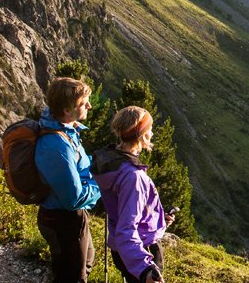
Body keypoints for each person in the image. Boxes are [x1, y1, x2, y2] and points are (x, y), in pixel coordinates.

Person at [94, 106, 176, 283]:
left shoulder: (111, 163)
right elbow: (128, 227)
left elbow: (121, 209)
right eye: (150, 129)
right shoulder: (133, 177)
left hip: (121, 249)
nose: (153, 133)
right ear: (142, 135)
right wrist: (145, 269)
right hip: (141, 250)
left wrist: (159, 219)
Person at [35, 77, 102, 282]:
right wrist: (99, 185)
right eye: (83, 103)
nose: (90, 106)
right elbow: (73, 198)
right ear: (66, 110)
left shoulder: (66, 131)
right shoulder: (56, 145)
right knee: (72, 276)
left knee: (84, 262)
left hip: (70, 218)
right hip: (63, 219)